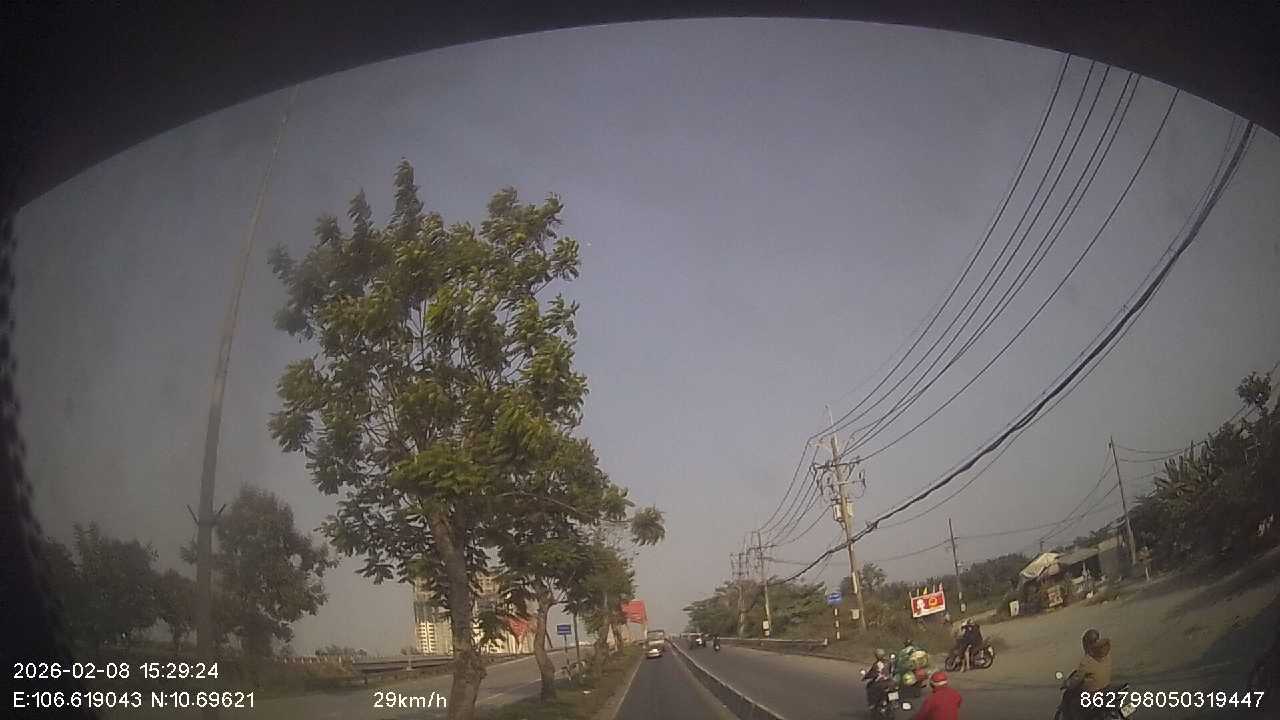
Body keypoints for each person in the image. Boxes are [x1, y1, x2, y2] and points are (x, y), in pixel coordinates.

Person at [1063, 629, 1113, 719]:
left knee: (1074, 705)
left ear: (1087, 644)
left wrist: (1067, 684)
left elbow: (1077, 679)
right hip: (1106, 690)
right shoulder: (1106, 655)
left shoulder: (1087, 661)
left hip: (1093, 695)